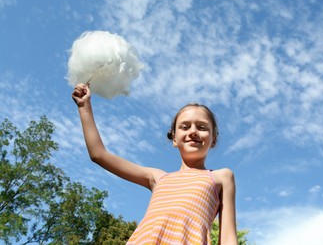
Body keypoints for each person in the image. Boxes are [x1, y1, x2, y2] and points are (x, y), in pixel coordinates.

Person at [72, 83, 238, 245]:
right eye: (185, 127)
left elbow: (228, 239)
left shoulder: (221, 177)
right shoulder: (158, 177)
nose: (193, 131)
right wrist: (84, 107)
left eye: (201, 127)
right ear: (174, 138)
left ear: (213, 139)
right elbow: (98, 155)